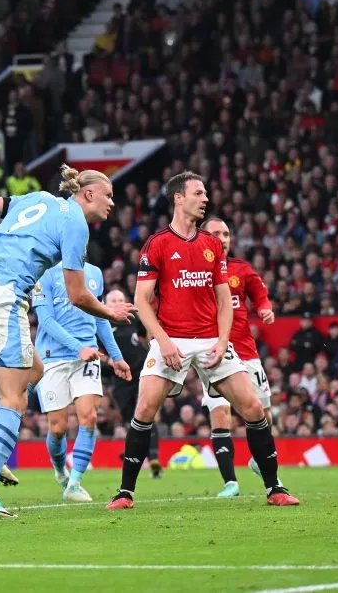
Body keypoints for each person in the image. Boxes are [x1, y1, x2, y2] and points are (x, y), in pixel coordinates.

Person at [0, 163, 136, 518]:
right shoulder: (76, 223)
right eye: (109, 196)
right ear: (89, 193)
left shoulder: (38, 198)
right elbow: (78, 295)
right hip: (5, 297)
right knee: (13, 398)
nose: (112, 204)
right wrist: (110, 314)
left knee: (34, 371)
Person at [107, 171, 299, 509]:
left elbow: (225, 301)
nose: (205, 198)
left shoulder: (212, 246)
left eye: (206, 193)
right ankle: (125, 493)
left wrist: (224, 340)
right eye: (199, 193)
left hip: (211, 339)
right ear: (179, 198)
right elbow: (141, 301)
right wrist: (163, 341)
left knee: (253, 407)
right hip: (172, 339)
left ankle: (274, 489)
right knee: (145, 408)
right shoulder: (157, 244)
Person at [33, 262, 132, 502]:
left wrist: (117, 357)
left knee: (88, 417)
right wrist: (79, 348)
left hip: (87, 357)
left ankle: (75, 483)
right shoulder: (44, 274)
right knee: (57, 428)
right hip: (52, 358)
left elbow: (100, 319)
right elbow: (45, 321)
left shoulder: (95, 272)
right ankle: (60, 471)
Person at [200, 217, 277, 498]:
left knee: (261, 413)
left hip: (245, 352)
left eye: (226, 233)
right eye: (216, 233)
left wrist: (265, 309)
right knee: (220, 413)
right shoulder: (194, 271)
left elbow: (260, 296)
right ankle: (230, 482)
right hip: (212, 353)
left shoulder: (241, 269)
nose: (223, 238)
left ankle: (259, 459)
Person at [105, 288, 162, 479]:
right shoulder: (101, 323)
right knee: (132, 420)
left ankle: (153, 457)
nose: (118, 303)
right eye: (113, 300)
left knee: (145, 412)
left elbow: (145, 333)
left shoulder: (133, 318)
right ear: (105, 303)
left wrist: (150, 339)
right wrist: (108, 362)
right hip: (121, 378)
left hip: (141, 371)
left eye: (121, 299)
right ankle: (140, 453)